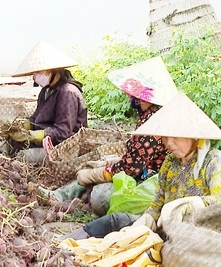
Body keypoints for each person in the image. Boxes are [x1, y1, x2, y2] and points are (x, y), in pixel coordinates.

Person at [60, 91, 221, 241]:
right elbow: (157, 204)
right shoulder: (170, 164)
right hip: (166, 228)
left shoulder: (215, 161)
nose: (169, 143)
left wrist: (190, 204)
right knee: (115, 221)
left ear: (195, 136)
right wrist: (146, 221)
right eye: (165, 137)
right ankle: (65, 242)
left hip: (198, 235)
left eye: (175, 137)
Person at [37, 57, 178, 210]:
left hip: (153, 180)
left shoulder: (152, 124)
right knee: (97, 165)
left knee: (100, 195)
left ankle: (76, 199)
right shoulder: (150, 114)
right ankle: (61, 195)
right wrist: (108, 164)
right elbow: (137, 156)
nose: (128, 96)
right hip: (144, 169)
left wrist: (97, 174)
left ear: (141, 97)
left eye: (131, 94)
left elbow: (131, 168)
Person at [7, 40, 87, 148]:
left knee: (23, 155)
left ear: (49, 70)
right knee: (10, 140)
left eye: (37, 72)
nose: (34, 77)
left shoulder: (68, 93)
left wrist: (36, 135)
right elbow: (36, 119)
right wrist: (23, 125)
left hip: (65, 147)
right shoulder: (46, 90)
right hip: (45, 140)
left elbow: (64, 132)